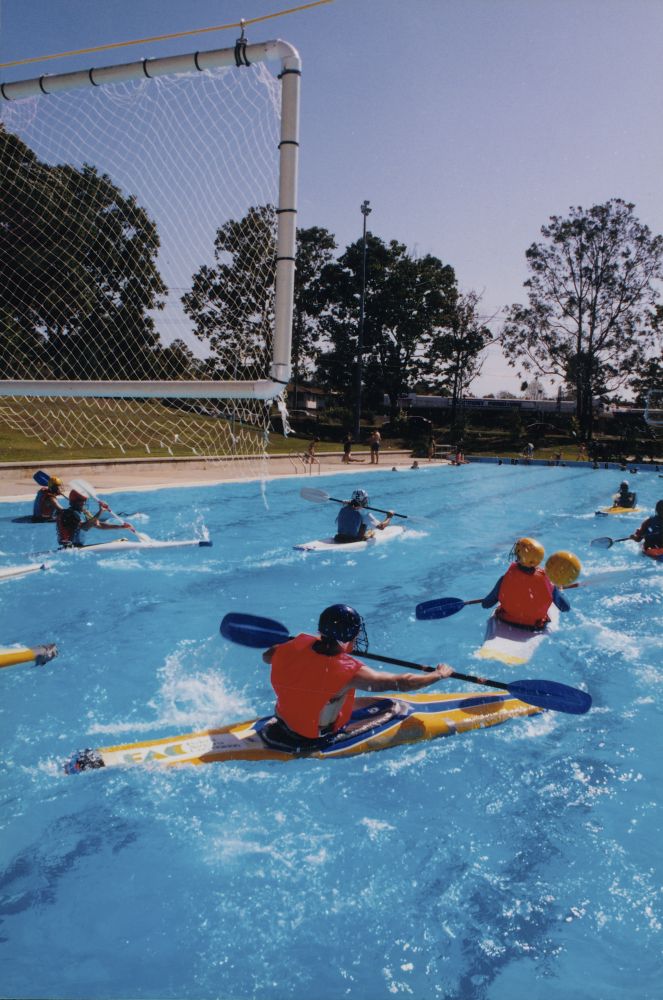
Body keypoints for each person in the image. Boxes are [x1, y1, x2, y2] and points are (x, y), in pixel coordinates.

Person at [260, 604, 453, 750]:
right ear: (349, 637)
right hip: (311, 738)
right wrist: (439, 674)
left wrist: (300, 645)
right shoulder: (348, 672)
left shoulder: (284, 648)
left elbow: (266, 657)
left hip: (282, 723)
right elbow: (402, 683)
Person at [481, 537, 572, 630]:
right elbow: (565, 607)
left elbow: (486, 604)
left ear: (520, 558)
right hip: (535, 626)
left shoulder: (505, 578)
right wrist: (559, 590)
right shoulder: (548, 582)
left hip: (505, 620)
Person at [55, 489, 133, 549]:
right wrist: (100, 511)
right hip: (70, 548)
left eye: (84, 501)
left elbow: (99, 525)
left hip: (77, 547)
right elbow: (85, 527)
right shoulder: (70, 514)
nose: (84, 503)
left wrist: (121, 526)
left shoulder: (83, 512)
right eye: (82, 501)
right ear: (76, 502)